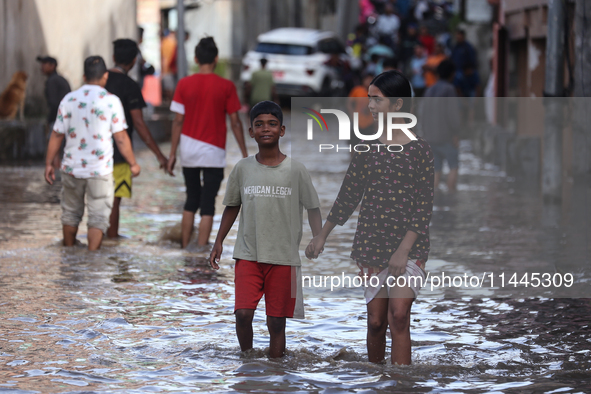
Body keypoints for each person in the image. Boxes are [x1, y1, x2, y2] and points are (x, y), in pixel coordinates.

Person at [307, 70, 434, 366]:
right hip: (371, 245)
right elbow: (349, 194)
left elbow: (424, 206)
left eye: (376, 100)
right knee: (377, 323)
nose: (370, 107)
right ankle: (377, 380)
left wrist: (403, 250)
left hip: (410, 247)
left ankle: (401, 385)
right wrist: (322, 235)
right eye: (369, 100)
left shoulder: (420, 150)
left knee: (399, 317)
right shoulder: (366, 146)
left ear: (398, 105)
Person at [209, 101, 322, 358]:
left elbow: (313, 208)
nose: (265, 129)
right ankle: (248, 362)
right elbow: (231, 207)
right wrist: (218, 242)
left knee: (276, 322)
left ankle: (275, 368)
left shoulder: (296, 170)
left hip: (283, 257)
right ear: (251, 132)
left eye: (272, 124)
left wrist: (318, 239)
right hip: (248, 254)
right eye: (259, 124)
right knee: (243, 314)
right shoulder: (242, 169)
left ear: (282, 130)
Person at [44, 56, 140, 251]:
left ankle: (69, 253)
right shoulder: (112, 101)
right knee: (98, 216)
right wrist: (133, 163)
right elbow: (121, 137)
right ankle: (92, 258)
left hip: (72, 168)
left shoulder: (69, 99)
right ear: (105, 76)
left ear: (84, 76)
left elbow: (56, 134)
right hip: (100, 170)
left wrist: (48, 164)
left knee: (70, 213)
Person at [168, 37, 248, 248]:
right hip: (213, 152)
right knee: (208, 203)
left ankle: (185, 247)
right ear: (216, 58)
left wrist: (171, 154)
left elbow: (177, 121)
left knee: (191, 199)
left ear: (195, 58)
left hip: (188, 149)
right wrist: (244, 153)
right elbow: (235, 123)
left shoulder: (183, 84)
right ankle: (200, 250)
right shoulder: (226, 86)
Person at [105, 39, 171, 239]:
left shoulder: (99, 80)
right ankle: (111, 241)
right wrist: (160, 155)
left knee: (94, 199)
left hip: (93, 151)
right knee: (115, 200)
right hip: (120, 153)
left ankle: (94, 247)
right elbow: (139, 124)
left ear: (114, 57)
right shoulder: (130, 86)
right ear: (134, 61)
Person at [421, 59, 461, 192]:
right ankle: (451, 199)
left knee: (435, 171)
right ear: (452, 74)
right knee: (453, 167)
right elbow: (453, 114)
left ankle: (435, 204)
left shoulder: (429, 90)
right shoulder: (449, 90)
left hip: (430, 137)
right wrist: (456, 133)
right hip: (446, 137)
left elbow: (422, 114)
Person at [37, 56, 71, 169]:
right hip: (68, 119)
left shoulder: (52, 81)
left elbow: (54, 103)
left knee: (55, 149)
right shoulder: (60, 79)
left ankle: (55, 173)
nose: (42, 67)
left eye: (45, 64)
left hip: (58, 119)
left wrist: (50, 120)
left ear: (53, 66)